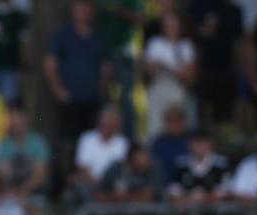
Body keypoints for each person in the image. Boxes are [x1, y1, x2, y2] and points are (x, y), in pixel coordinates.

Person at [44, 0, 111, 148]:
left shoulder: (98, 37)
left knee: (91, 144)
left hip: (92, 101)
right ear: (73, 9)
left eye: (87, 6)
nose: (83, 10)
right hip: (69, 101)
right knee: (67, 143)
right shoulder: (62, 35)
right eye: (79, 6)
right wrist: (59, 91)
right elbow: (50, 64)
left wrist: (100, 91)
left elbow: (106, 66)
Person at [96, 0, 146, 139]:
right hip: (101, 57)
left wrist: (117, 10)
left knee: (127, 101)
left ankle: (129, 142)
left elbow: (141, 19)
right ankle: (102, 140)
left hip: (125, 57)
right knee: (103, 99)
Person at [143, 11, 197, 140]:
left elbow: (189, 78)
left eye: (173, 23)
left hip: (177, 90)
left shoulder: (186, 46)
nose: (170, 27)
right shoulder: (154, 43)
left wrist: (165, 66)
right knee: (154, 128)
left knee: (176, 127)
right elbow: (145, 73)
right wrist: (150, 68)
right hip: (157, 89)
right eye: (167, 24)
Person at [190, 0, 244, 128]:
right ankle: (203, 144)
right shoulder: (197, 5)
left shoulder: (234, 10)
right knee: (201, 114)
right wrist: (201, 31)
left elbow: (239, 42)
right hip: (203, 71)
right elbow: (188, 36)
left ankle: (224, 146)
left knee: (225, 117)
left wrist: (239, 69)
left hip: (227, 71)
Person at [73, 106, 129, 204]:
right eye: (107, 121)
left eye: (112, 122)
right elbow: (82, 168)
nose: (109, 125)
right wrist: (97, 187)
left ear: (118, 124)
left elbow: (122, 170)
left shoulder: (123, 142)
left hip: (113, 185)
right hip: (91, 183)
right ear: (100, 122)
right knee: (82, 186)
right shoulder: (87, 139)